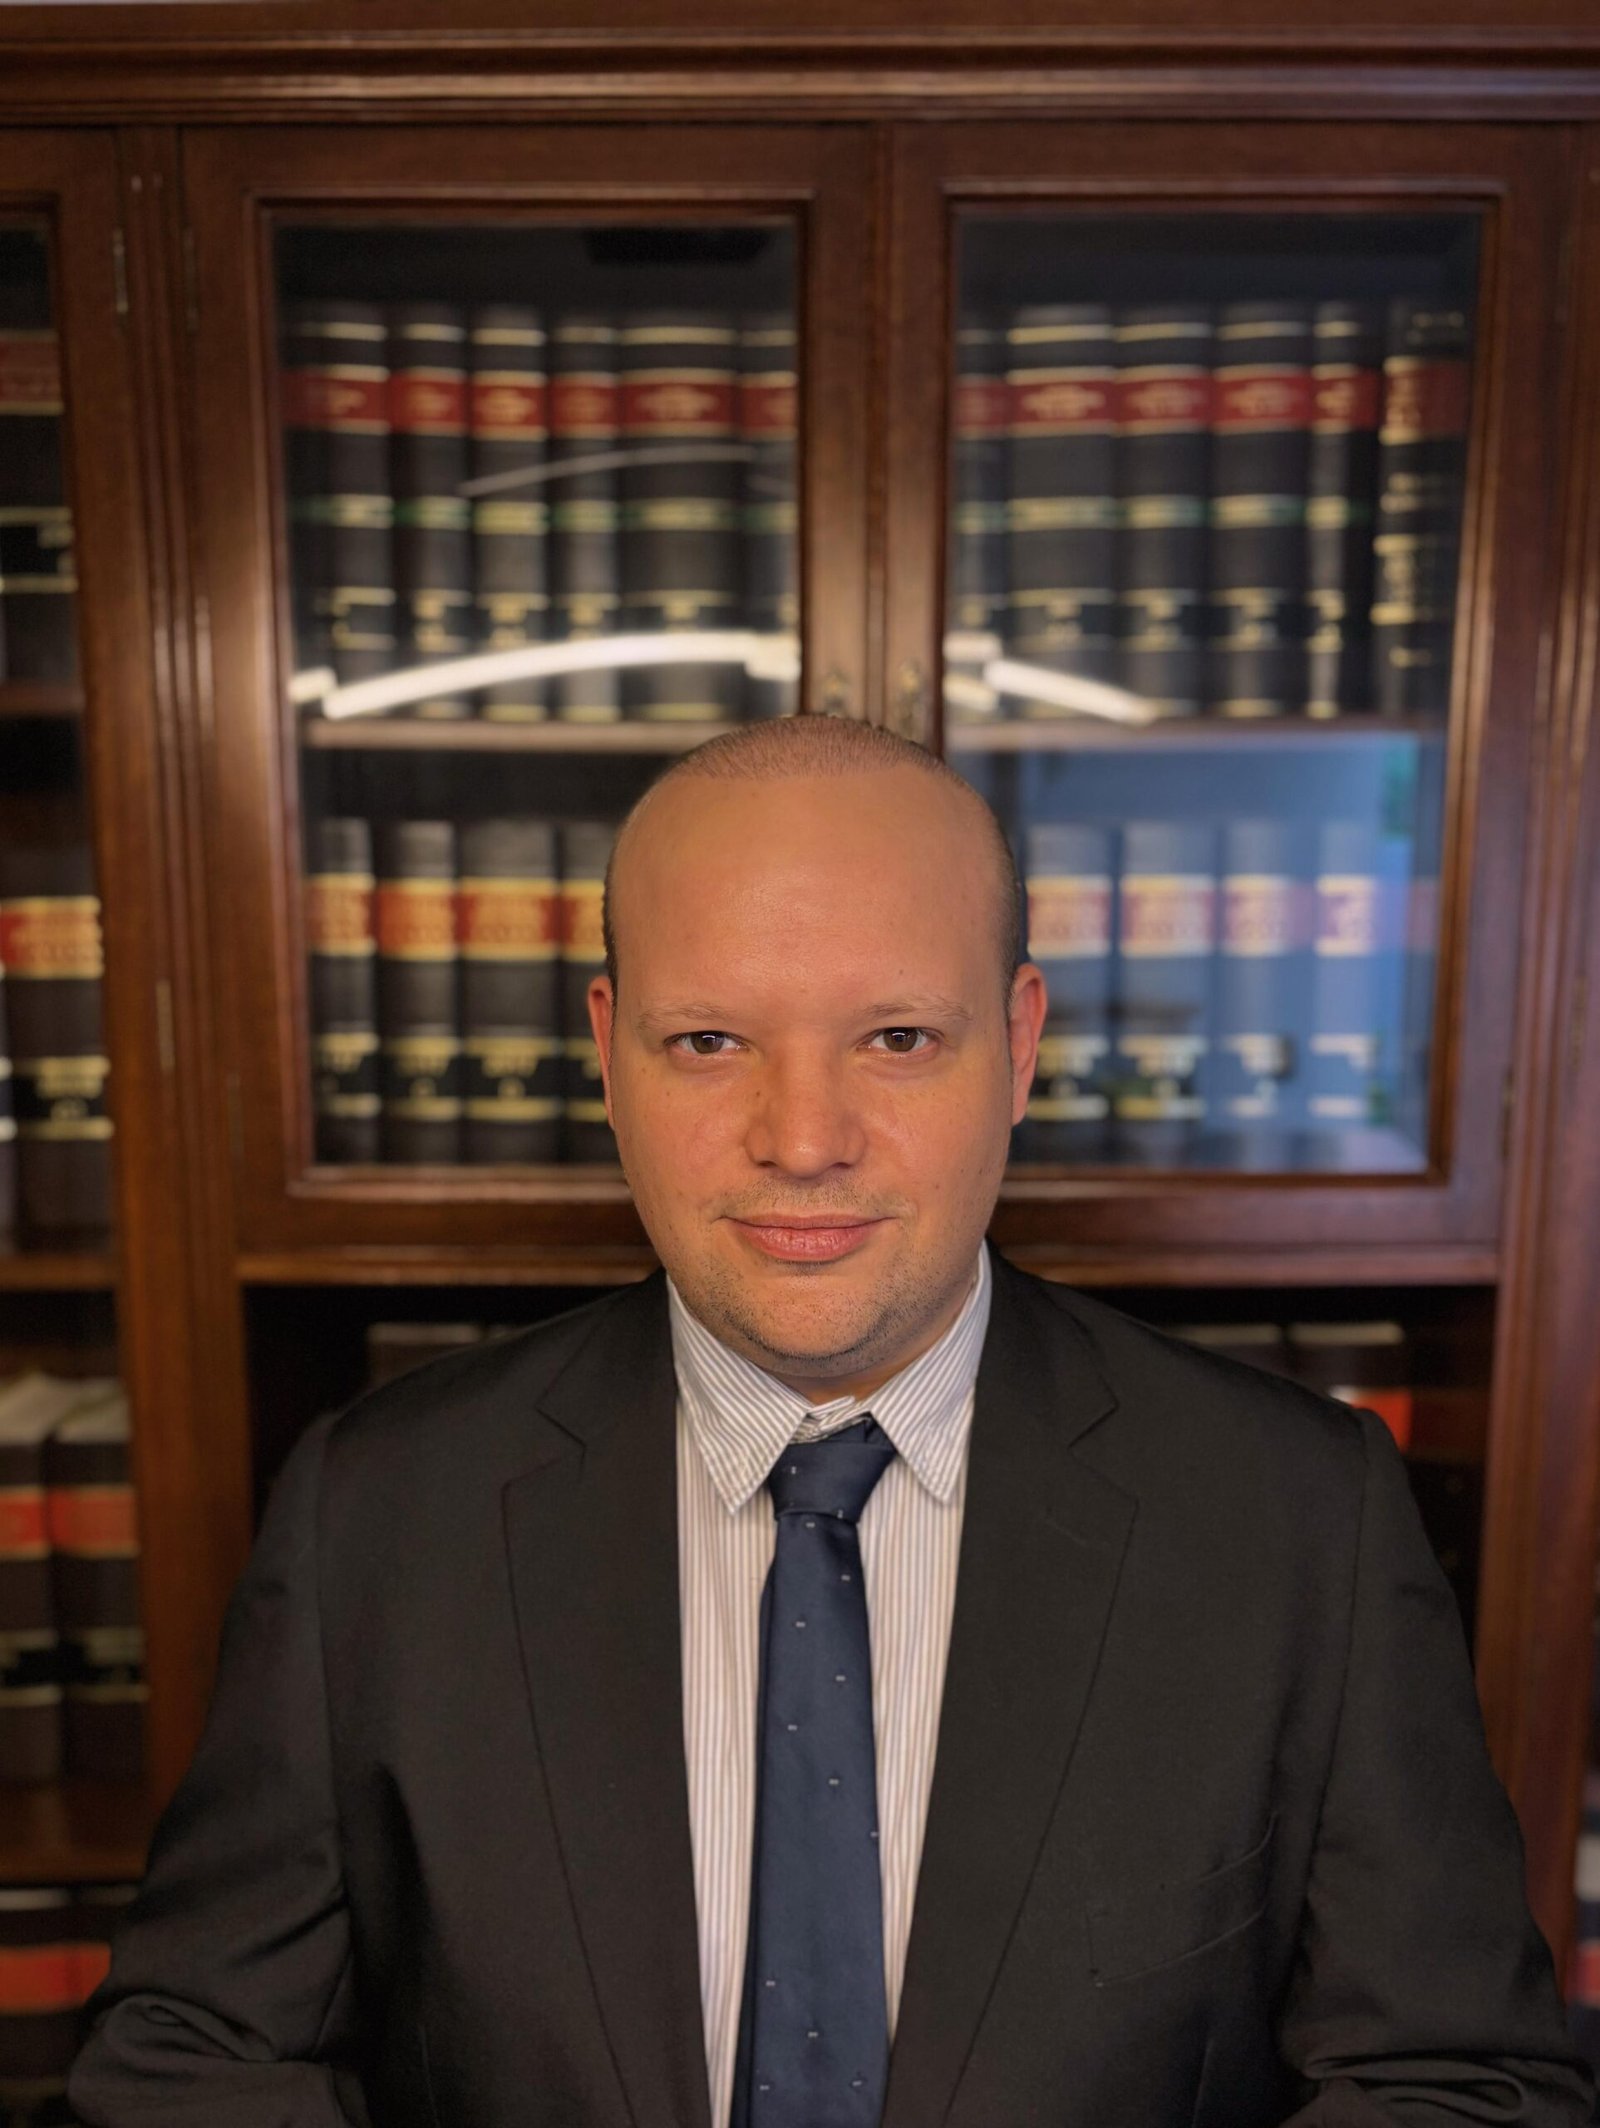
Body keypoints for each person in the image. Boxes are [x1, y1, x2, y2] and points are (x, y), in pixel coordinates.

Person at [70, 713, 1591, 2128]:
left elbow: (1456, 2080)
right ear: (607, 1052)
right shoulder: (379, 1512)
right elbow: (188, 2067)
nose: (803, 1142)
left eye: (898, 1040)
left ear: (1021, 1044)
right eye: (709, 1042)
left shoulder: (1300, 1517)